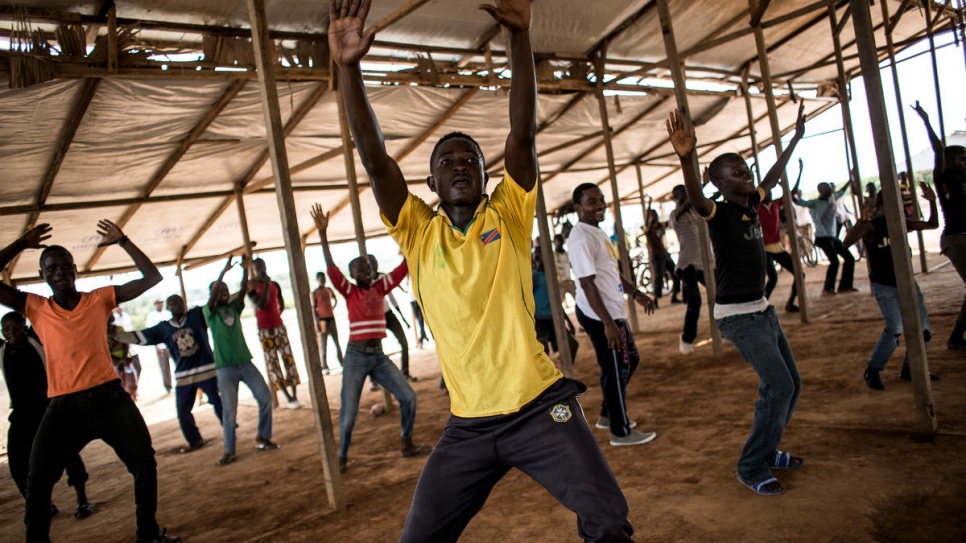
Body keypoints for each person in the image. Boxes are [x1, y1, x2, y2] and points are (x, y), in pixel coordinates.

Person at [330, 0, 636, 539]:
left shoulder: (509, 214)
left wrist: (520, 38)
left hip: (539, 409)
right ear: (430, 185)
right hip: (468, 427)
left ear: (485, 173)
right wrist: (349, 69)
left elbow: (522, 133)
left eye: (469, 159)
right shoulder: (418, 232)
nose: (458, 166)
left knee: (609, 520)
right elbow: (375, 157)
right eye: (446, 162)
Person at [0, 220, 181, 543]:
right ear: (43, 275)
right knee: (38, 481)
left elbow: (152, 277)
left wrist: (123, 241)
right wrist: (21, 244)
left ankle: (148, 536)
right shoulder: (36, 307)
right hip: (63, 407)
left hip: (109, 399)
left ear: (74, 270)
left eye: (66, 266)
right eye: (52, 268)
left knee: (144, 464)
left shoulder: (99, 299)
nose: (60, 272)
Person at [668, 104, 806, 496]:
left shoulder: (750, 204)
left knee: (791, 384)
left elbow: (773, 176)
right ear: (723, 185)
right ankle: (750, 466)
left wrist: (794, 139)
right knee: (777, 385)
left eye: (746, 169)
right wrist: (686, 158)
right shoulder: (720, 212)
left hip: (761, 310)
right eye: (737, 173)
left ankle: (769, 448)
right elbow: (695, 197)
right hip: (738, 317)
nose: (747, 175)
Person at [311, 206, 429, 472]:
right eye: (362, 269)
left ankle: (406, 442)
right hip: (355, 356)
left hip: (378, 355)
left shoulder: (381, 286)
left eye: (369, 267)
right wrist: (322, 234)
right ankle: (341, 456)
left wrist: (412, 238)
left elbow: (404, 267)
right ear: (353, 275)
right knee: (349, 411)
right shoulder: (349, 291)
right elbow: (331, 269)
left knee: (409, 398)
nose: (368, 271)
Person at [569, 183, 658, 445]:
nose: (599, 206)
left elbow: (610, 271)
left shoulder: (597, 232)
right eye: (591, 202)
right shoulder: (581, 237)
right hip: (599, 315)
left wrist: (635, 292)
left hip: (611, 310)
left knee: (629, 360)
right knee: (617, 368)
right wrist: (607, 323)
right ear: (578, 207)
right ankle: (620, 431)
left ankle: (609, 415)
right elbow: (586, 282)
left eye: (601, 201)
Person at [843, 186, 940, 390]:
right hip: (885, 286)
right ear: (880, 207)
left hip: (907, 283)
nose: (896, 208)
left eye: (898, 204)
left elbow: (932, 224)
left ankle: (910, 368)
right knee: (895, 328)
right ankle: (873, 369)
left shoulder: (902, 224)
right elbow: (846, 242)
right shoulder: (872, 226)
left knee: (924, 331)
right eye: (890, 204)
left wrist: (932, 201)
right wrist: (862, 221)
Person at [1, 312, 94, 520]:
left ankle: (82, 500)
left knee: (69, 454)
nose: (12, 332)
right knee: (16, 463)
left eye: (16, 327)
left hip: (50, 408)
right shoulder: (3, 350)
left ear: (25, 327)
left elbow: (39, 314)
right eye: (6, 329)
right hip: (21, 415)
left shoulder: (37, 340)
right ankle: (42, 503)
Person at [114, 293, 224, 454]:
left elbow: (213, 302)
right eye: (173, 303)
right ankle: (194, 439)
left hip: (206, 371)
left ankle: (229, 428)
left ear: (184, 304)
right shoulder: (164, 328)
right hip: (183, 376)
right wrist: (115, 335)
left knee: (218, 402)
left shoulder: (196, 315)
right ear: (168, 308)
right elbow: (141, 336)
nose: (177, 305)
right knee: (182, 410)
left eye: (180, 302)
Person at [204, 256, 278, 466]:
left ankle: (263, 437)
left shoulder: (234, 308)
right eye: (220, 291)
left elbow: (244, 288)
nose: (224, 293)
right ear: (213, 294)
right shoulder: (209, 312)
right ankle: (229, 450)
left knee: (265, 397)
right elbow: (212, 297)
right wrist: (224, 272)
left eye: (226, 290)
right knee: (230, 410)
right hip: (225, 368)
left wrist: (245, 271)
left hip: (245, 362)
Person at [912, 101, 966, 350]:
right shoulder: (944, 176)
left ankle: (956, 337)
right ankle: (955, 337)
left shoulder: (964, 176)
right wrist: (926, 120)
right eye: (961, 158)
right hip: (955, 238)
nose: (964, 161)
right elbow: (938, 149)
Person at [248, 258, 302, 409]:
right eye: (256, 267)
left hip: (278, 327)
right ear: (252, 269)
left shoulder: (274, 284)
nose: (259, 269)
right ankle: (288, 397)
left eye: (261, 265)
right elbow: (261, 305)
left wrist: (277, 315)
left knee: (288, 360)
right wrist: (265, 287)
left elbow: (281, 302)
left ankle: (295, 395)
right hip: (265, 331)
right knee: (273, 365)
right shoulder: (252, 287)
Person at [792, 176, 856, 295]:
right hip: (822, 238)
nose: (831, 190)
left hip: (832, 237)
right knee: (835, 261)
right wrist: (800, 173)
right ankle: (827, 289)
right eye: (827, 188)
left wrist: (851, 179)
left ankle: (845, 286)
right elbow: (795, 200)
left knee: (850, 258)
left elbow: (842, 191)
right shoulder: (815, 203)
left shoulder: (832, 198)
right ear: (821, 190)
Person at [759, 163, 803, 313]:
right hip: (764, 248)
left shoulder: (776, 204)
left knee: (799, 273)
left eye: (770, 192)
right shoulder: (756, 207)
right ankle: (761, 306)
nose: (769, 195)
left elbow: (792, 193)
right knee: (773, 279)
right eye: (766, 193)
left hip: (777, 246)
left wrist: (800, 172)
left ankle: (790, 302)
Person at [669, 184, 705, 354]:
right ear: (675, 198)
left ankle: (726, 330)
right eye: (680, 194)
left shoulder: (697, 211)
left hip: (704, 263)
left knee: (723, 294)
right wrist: (700, 185)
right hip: (687, 264)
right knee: (695, 301)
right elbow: (690, 202)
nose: (684, 196)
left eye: (686, 192)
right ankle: (687, 338)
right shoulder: (675, 215)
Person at [368, 254, 414, 381]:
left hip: (388, 314)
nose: (373, 264)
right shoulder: (365, 282)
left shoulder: (383, 277)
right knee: (375, 350)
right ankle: (375, 381)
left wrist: (403, 319)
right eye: (370, 262)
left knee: (404, 343)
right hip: (376, 319)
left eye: (374, 261)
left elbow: (392, 299)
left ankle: (405, 372)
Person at [532, 252, 578, 359]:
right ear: (537, 261)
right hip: (539, 320)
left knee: (573, 345)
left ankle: (565, 373)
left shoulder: (552, 276)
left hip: (553, 318)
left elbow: (556, 301)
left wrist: (568, 321)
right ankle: (544, 375)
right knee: (543, 349)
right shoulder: (535, 277)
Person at [643, 208, 681, 306]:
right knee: (658, 276)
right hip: (656, 255)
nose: (655, 216)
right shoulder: (648, 228)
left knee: (675, 272)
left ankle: (674, 296)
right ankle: (656, 299)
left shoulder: (660, 226)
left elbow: (669, 223)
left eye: (655, 214)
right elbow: (646, 228)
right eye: (652, 215)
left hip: (664, 253)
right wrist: (649, 204)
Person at [313, 271, 344, 374]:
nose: (323, 280)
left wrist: (332, 308)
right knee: (323, 343)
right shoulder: (316, 292)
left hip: (331, 318)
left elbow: (335, 299)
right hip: (322, 320)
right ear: (317, 279)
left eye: (324, 278)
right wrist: (316, 320)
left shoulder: (328, 290)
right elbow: (313, 308)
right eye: (321, 278)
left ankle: (342, 362)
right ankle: (325, 366)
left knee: (337, 342)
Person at [145, 299, 173, 394]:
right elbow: (151, 333)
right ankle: (168, 386)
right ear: (155, 304)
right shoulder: (151, 316)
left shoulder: (168, 314)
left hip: (170, 344)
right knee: (164, 367)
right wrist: (157, 347)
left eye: (161, 302)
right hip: (160, 346)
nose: (160, 304)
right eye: (158, 303)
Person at [406, 275, 431, 349]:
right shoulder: (407, 274)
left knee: (421, 319)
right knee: (419, 319)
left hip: (416, 297)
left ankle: (422, 337)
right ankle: (423, 335)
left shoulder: (412, 272)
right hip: (411, 298)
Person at [553, 233, 577, 304]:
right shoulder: (553, 255)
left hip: (569, 281)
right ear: (554, 242)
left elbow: (572, 266)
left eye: (560, 240)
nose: (559, 242)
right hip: (560, 283)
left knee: (579, 300)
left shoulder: (567, 254)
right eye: (557, 241)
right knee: (558, 304)